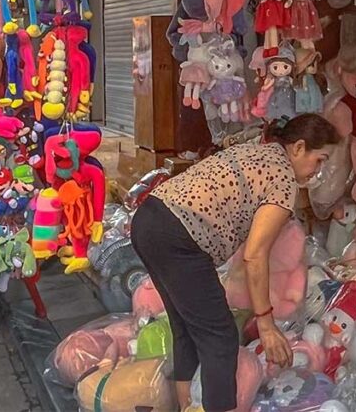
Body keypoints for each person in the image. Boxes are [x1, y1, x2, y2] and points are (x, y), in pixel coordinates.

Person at [131, 114, 340, 412]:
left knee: (186, 327)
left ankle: (184, 406)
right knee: (221, 338)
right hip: (180, 236)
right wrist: (266, 324)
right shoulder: (283, 180)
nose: (318, 170)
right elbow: (255, 255)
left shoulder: (258, 151)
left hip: (149, 218)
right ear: (298, 147)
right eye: (320, 160)